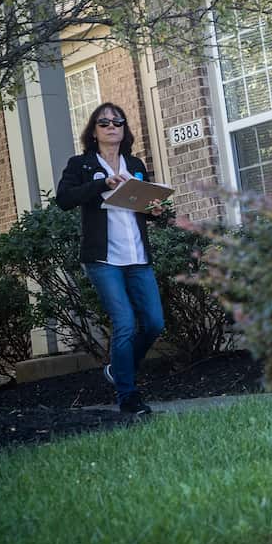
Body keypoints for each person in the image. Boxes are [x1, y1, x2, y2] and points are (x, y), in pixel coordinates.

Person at [56, 102, 167, 415]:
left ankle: (119, 369)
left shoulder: (134, 164)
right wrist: (101, 184)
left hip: (137, 256)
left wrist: (154, 211)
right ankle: (128, 397)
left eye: (117, 121)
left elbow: (143, 207)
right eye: (104, 122)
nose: (111, 126)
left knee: (154, 323)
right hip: (104, 259)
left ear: (124, 129)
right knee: (125, 324)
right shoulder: (81, 164)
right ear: (94, 131)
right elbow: (64, 199)